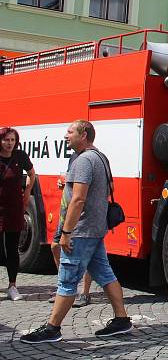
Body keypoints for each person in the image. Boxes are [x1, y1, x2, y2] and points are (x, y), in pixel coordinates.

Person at [21, 120, 131, 344]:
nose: (66, 135)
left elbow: (78, 199)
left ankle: (52, 328)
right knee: (105, 274)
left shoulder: (84, 160)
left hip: (81, 231)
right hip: (95, 228)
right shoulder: (100, 157)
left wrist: (66, 232)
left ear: (84, 135)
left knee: (67, 280)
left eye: (70, 132)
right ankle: (122, 320)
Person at [0, 127, 36, 301]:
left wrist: (27, 192)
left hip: (14, 208)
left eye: (12, 140)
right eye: (6, 140)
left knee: (12, 248)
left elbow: (31, 173)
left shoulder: (20, 156)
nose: (9, 143)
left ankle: (12, 286)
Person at [50, 168, 92, 308]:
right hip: (65, 214)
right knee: (55, 246)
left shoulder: (86, 159)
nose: (67, 143)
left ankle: (84, 293)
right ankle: (64, 289)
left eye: (69, 142)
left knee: (90, 257)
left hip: (80, 217)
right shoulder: (74, 158)